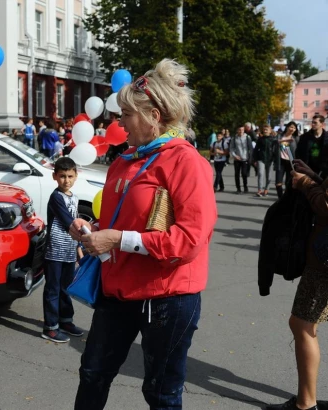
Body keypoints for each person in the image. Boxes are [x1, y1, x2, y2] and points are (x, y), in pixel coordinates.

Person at [70, 59, 217, 410]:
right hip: (118, 291)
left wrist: (118, 239)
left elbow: (188, 241)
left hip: (167, 298)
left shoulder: (186, 162)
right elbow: (116, 223)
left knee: (161, 393)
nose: (118, 122)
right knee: (92, 373)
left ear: (154, 115)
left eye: (127, 115)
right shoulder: (125, 161)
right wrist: (90, 232)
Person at [265, 160, 328, 410]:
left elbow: (325, 205)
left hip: (323, 262)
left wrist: (306, 183)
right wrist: (316, 177)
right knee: (303, 323)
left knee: (302, 323)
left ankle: (305, 404)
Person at [42, 157, 83, 343]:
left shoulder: (74, 197)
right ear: (54, 177)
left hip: (68, 250)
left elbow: (74, 219)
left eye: (70, 176)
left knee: (65, 288)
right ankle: (50, 327)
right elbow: (70, 222)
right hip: (54, 251)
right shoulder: (56, 197)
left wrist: (78, 249)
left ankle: (65, 320)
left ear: (76, 176)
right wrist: (88, 236)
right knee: (53, 289)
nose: (66, 180)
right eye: (62, 176)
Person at [274, 121, 298, 198]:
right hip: (280, 160)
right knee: (278, 183)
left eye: (294, 128)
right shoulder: (280, 136)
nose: (292, 129)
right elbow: (273, 142)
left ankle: (285, 200)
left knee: (288, 183)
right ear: (287, 127)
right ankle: (280, 198)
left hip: (290, 161)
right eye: (291, 127)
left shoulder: (296, 138)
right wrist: (283, 141)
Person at [254, 124, 277, 197]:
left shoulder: (273, 140)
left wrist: (275, 159)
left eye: (267, 129)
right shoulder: (260, 139)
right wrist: (255, 159)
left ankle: (266, 189)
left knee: (269, 176)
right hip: (261, 158)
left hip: (270, 159)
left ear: (270, 131)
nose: (265, 131)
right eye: (264, 129)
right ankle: (259, 190)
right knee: (260, 173)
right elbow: (256, 149)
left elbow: (276, 150)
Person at [230, 126, 253, 194]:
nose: (241, 131)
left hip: (245, 158)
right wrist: (234, 155)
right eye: (239, 130)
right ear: (237, 130)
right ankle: (238, 188)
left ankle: (245, 187)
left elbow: (250, 148)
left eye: (242, 130)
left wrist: (250, 157)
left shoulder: (247, 137)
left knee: (244, 174)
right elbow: (231, 148)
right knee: (237, 174)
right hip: (237, 159)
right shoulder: (234, 138)